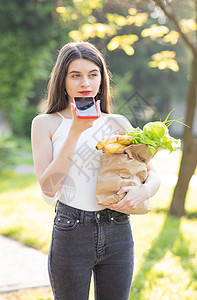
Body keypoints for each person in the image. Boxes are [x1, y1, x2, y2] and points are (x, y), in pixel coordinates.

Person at [31, 41, 160, 300]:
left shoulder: (117, 122)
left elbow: (151, 174)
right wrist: (76, 133)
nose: (85, 83)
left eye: (93, 74)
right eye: (75, 75)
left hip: (118, 230)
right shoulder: (46, 124)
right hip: (71, 231)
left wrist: (142, 192)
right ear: (63, 81)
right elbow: (48, 186)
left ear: (102, 79)